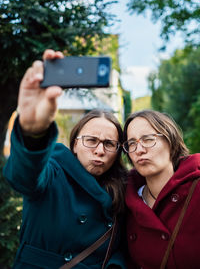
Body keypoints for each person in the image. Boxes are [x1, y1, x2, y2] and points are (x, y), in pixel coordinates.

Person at [3, 49, 128, 269]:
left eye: (109, 144)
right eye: (91, 140)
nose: (99, 150)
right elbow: (24, 177)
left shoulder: (122, 187)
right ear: (75, 145)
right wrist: (33, 134)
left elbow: (122, 247)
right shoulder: (53, 172)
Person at [123, 109, 200, 269]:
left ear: (171, 142)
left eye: (148, 139)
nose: (139, 150)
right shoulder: (126, 201)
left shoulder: (196, 188)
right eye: (132, 143)